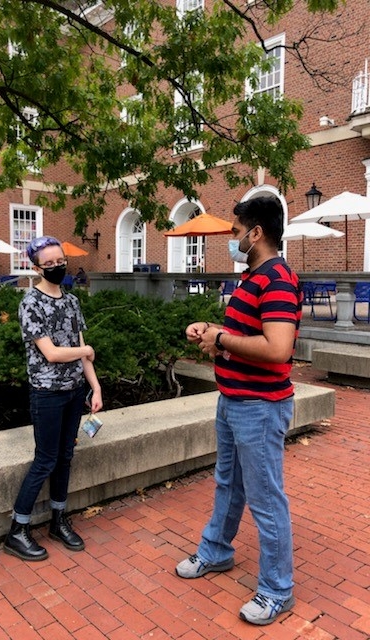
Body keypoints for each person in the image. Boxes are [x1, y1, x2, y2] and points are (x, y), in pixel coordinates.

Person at [176, 196, 303, 626]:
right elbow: (244, 335)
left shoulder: (278, 279)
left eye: (235, 231)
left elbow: (278, 348)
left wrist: (222, 339)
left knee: (266, 499)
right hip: (233, 400)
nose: (231, 238)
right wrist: (212, 332)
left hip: (260, 407)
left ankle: (276, 590)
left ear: (256, 233)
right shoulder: (253, 277)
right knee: (228, 485)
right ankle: (216, 552)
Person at [4, 236, 103, 561]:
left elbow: (80, 348)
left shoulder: (72, 302)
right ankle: (17, 530)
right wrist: (84, 351)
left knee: (65, 457)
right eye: (49, 264)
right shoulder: (30, 303)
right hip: (46, 394)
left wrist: (96, 387)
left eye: (60, 260)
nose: (58, 267)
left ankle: (58, 520)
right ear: (36, 268)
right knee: (45, 459)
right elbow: (51, 353)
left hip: (75, 392)